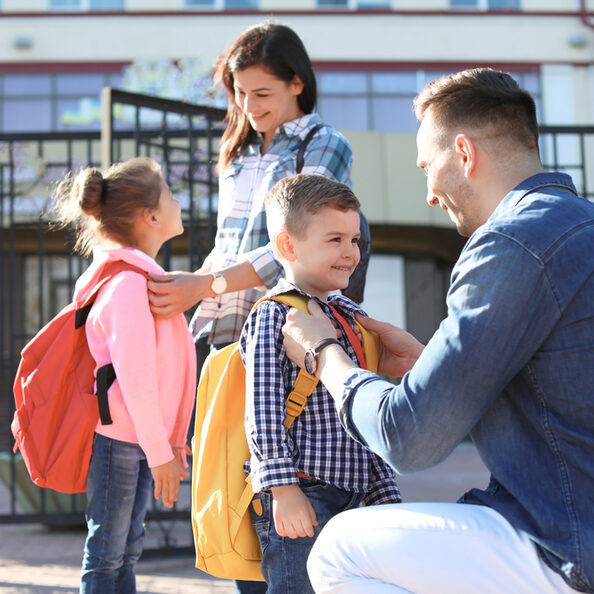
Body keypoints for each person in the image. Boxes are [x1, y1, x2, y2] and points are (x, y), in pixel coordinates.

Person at [281, 68, 594, 593]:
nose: (428, 192)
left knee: (339, 549)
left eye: (428, 165)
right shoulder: (578, 225)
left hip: (563, 543)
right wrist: (433, 361)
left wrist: (327, 355)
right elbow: (562, 399)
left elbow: (409, 439)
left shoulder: (511, 243)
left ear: (465, 154)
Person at [146, 21, 353, 365]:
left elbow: (296, 247)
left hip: (288, 330)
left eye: (262, 94)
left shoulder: (325, 145)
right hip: (225, 329)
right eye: (240, 93)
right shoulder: (238, 154)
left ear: (296, 83)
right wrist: (186, 285)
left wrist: (205, 285)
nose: (247, 106)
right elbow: (226, 245)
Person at [240, 174, 400, 593]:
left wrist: (382, 487)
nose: (351, 253)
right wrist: (283, 488)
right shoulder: (272, 315)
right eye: (335, 240)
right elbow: (262, 410)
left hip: (354, 492)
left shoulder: (351, 316)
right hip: (303, 490)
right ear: (288, 245)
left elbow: (363, 403)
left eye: (355, 240)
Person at [52, 157, 196, 594]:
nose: (178, 200)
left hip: (137, 439)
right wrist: (159, 451)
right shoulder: (129, 285)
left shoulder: (138, 278)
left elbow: (162, 369)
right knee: (108, 553)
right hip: (120, 440)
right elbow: (134, 376)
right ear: (150, 216)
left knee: (125, 551)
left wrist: (169, 442)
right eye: (170, 194)